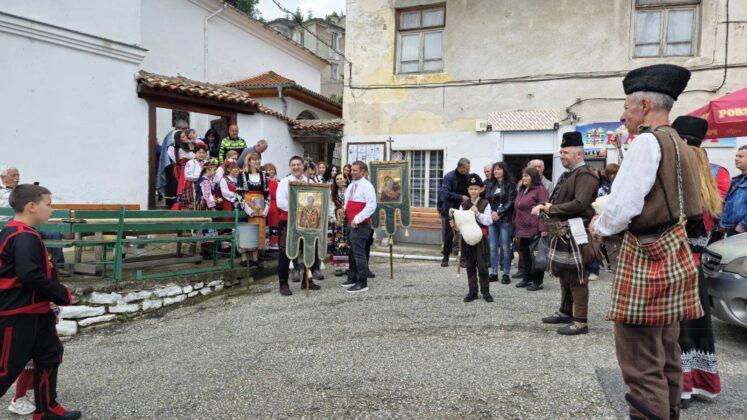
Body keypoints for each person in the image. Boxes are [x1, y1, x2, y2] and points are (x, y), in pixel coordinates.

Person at [590, 64, 704, 420]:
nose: (623, 115)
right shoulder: (681, 144)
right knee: (667, 353)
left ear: (644, 105)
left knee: (641, 362)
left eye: (626, 107)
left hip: (647, 257)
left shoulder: (646, 142)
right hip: (674, 253)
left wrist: (599, 225)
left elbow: (622, 208)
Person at [0, 184, 81, 420]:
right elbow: (29, 275)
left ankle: (47, 409)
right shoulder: (22, 236)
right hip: (18, 315)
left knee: (50, 354)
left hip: (37, 311)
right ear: (31, 206)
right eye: (48, 204)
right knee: (6, 369)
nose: (51, 209)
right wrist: (62, 294)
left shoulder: (21, 232)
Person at [671, 115, 723, 408]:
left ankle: (682, 388)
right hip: (696, 266)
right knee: (695, 326)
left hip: (679, 264)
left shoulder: (683, 182)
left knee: (679, 328)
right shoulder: (708, 183)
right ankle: (697, 383)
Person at [532, 131, 598, 336]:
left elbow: (580, 204)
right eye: (561, 152)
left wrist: (550, 208)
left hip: (577, 230)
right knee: (564, 273)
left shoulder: (586, 174)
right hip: (563, 230)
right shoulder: (566, 175)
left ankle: (580, 321)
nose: (561, 156)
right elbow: (557, 201)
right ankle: (565, 312)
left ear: (579, 154)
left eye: (566, 152)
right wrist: (546, 206)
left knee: (578, 276)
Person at [276, 156, 318, 295]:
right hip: (288, 221)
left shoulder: (310, 182)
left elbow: (316, 200)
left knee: (309, 251)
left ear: (302, 166)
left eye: (298, 164)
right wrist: (299, 210)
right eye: (293, 165)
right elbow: (280, 202)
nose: (296, 167)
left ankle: (307, 280)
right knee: (285, 253)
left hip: (306, 222)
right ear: (290, 167)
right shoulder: (284, 182)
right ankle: (283, 284)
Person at [450, 174, 493, 302]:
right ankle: (472, 292)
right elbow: (460, 226)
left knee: (483, 267)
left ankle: (485, 292)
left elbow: (489, 221)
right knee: (470, 266)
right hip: (467, 239)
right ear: (467, 190)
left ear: (480, 189)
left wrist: (477, 213)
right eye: (471, 189)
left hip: (481, 239)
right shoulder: (463, 205)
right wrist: (455, 225)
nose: (473, 191)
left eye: (476, 188)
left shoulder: (485, 203)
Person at [341, 161, 377, 293]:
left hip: (360, 224)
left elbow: (371, 205)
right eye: (352, 170)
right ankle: (353, 277)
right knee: (351, 252)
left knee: (359, 253)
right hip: (350, 222)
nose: (352, 172)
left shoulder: (367, 186)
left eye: (355, 170)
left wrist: (357, 219)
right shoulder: (352, 185)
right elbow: (348, 201)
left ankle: (362, 282)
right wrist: (344, 210)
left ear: (363, 172)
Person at [514, 167, 549, 291]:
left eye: (526, 176)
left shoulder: (540, 189)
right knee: (525, 255)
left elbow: (544, 208)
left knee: (536, 255)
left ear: (533, 177)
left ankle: (537, 281)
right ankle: (527, 278)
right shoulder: (522, 190)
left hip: (534, 228)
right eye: (523, 175)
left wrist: (543, 228)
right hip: (522, 228)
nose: (523, 178)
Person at [483, 162, 516, 283]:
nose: (495, 171)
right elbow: (486, 200)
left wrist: (499, 212)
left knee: (505, 247)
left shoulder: (510, 184)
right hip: (492, 219)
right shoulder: (490, 184)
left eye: (498, 169)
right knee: (492, 248)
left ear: (504, 170)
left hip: (505, 219)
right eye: (494, 169)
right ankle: (494, 273)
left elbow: (511, 201)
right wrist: (491, 212)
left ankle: (506, 274)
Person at [237, 153, 269, 268]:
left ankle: (255, 258)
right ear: (249, 161)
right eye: (254, 160)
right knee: (245, 230)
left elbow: (267, 194)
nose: (257, 162)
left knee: (257, 230)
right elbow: (239, 194)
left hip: (260, 206)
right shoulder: (242, 175)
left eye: (258, 160)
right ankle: (244, 258)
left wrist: (265, 210)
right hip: (246, 205)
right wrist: (249, 210)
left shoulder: (263, 175)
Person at [437, 158, 471, 267]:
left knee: (463, 234)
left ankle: (463, 258)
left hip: (464, 210)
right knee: (448, 235)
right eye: (467, 168)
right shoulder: (449, 177)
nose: (469, 170)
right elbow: (444, 194)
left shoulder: (468, 177)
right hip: (450, 210)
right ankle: (445, 256)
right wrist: (461, 197)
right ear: (461, 168)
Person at [157, 120, 189, 203]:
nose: (186, 131)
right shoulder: (176, 134)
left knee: (171, 182)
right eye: (185, 129)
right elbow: (175, 149)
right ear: (181, 128)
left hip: (170, 162)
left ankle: (170, 201)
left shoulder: (169, 134)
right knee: (174, 182)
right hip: (174, 163)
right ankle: (174, 202)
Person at [720, 145, 747, 236]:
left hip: (742, 232)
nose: (736, 159)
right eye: (736, 156)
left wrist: (742, 226)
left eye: (741, 156)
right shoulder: (736, 180)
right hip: (732, 230)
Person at [329, 173, 350, 276]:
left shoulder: (349, 191)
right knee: (338, 243)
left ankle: (348, 267)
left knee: (348, 242)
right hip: (338, 221)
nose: (339, 181)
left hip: (348, 220)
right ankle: (339, 267)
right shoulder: (332, 193)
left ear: (345, 180)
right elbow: (330, 207)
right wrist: (334, 220)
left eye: (341, 178)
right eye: (337, 179)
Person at [178, 141, 208, 211]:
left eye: (203, 152)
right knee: (192, 205)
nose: (201, 154)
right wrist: (201, 177)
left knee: (203, 204)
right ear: (195, 153)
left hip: (204, 186)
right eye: (199, 152)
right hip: (192, 186)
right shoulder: (191, 162)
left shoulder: (206, 163)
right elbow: (187, 175)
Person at [264, 163, 280, 250]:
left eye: (272, 169)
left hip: (276, 204)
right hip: (270, 203)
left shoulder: (278, 181)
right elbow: (272, 194)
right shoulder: (267, 181)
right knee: (271, 223)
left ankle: (274, 241)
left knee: (275, 223)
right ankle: (270, 241)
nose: (271, 171)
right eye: (269, 170)